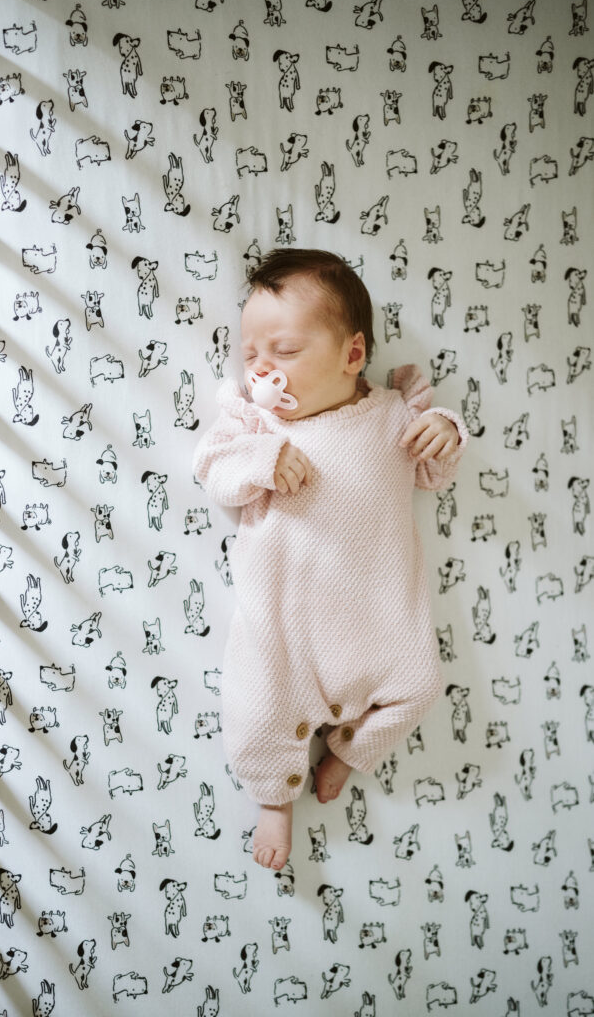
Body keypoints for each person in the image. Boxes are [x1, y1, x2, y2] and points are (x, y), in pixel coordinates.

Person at [192, 248, 468, 871]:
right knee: (259, 707)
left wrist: (444, 431)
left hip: (378, 621)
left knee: (421, 686)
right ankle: (274, 799)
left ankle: (348, 752)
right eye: (250, 354)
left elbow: (434, 472)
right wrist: (261, 462)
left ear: (352, 354)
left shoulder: (393, 415)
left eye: (284, 352)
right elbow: (212, 468)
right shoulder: (255, 426)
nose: (263, 368)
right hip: (285, 632)